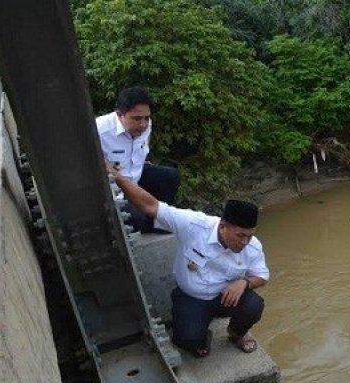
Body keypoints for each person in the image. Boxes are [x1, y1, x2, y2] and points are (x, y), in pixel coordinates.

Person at [108, 165, 268, 357]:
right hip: (191, 298)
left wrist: (244, 282)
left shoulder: (253, 246)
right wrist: (117, 177)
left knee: (254, 305)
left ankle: (236, 334)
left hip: (223, 298)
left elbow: (262, 275)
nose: (244, 242)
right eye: (240, 235)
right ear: (223, 226)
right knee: (186, 340)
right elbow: (151, 205)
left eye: (250, 236)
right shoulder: (193, 225)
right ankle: (201, 335)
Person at [96, 87, 180, 233]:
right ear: (119, 114)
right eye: (136, 119)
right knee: (136, 218)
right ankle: (145, 222)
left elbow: (140, 150)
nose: (142, 124)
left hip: (136, 178)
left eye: (146, 118)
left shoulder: (146, 126)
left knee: (170, 176)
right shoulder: (99, 131)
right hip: (114, 191)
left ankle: (158, 222)